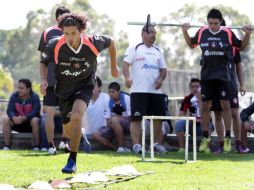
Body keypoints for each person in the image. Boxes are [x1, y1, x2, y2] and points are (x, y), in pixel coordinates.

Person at [40, 13, 119, 174]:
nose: (69, 37)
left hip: (84, 86)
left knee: (77, 115)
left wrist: (113, 66)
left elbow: (112, 42)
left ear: (81, 31)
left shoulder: (93, 42)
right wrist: (43, 80)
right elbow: (43, 62)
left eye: (73, 33)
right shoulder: (55, 44)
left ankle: (72, 160)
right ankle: (79, 133)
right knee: (68, 129)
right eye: (66, 33)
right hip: (63, 90)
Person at [182, 8, 252, 152]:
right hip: (207, 76)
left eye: (215, 23)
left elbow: (242, 47)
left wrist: (248, 34)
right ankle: (206, 136)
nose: (212, 26)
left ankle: (227, 137)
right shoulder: (202, 31)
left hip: (223, 76)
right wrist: (185, 31)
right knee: (206, 106)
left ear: (220, 22)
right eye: (210, 23)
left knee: (226, 105)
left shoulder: (227, 32)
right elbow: (191, 44)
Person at [123, 24, 167, 154]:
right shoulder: (135, 48)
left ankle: (154, 145)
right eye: (150, 32)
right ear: (143, 34)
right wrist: (127, 78)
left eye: (155, 33)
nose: (153, 35)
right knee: (136, 119)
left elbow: (163, 70)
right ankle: (137, 146)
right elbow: (125, 65)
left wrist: (160, 79)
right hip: (138, 91)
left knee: (158, 119)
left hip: (155, 92)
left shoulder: (158, 51)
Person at [38, 6, 71, 154]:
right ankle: (51, 145)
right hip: (51, 81)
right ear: (57, 18)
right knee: (49, 113)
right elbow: (42, 60)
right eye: (64, 16)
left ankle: (64, 141)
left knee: (67, 112)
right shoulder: (47, 33)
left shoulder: (74, 31)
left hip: (68, 80)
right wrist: (43, 80)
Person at [175, 78, 213, 153]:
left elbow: (209, 116)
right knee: (179, 123)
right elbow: (181, 115)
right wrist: (190, 119)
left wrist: (199, 100)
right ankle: (182, 148)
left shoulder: (206, 98)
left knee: (208, 124)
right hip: (191, 124)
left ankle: (206, 148)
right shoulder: (187, 99)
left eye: (197, 86)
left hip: (203, 124)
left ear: (201, 88)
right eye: (193, 87)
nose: (195, 89)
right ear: (190, 88)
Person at [2, 79, 41, 150]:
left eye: (22, 88)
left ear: (28, 89)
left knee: (35, 120)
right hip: (17, 122)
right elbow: (9, 110)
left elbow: (35, 112)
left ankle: (36, 146)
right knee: (6, 119)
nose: (19, 90)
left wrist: (24, 118)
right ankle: (6, 146)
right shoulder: (14, 96)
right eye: (18, 88)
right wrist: (13, 117)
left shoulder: (35, 97)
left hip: (29, 124)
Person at [92, 81, 131, 152]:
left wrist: (116, 118)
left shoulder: (126, 98)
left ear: (119, 92)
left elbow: (130, 118)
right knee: (95, 135)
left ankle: (121, 146)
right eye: (109, 92)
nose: (110, 94)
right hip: (113, 125)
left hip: (127, 125)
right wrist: (114, 121)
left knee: (114, 120)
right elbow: (108, 121)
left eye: (113, 92)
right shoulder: (108, 102)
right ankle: (116, 149)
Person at [81, 76, 110, 152]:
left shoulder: (106, 98)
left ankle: (116, 148)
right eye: (90, 85)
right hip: (86, 135)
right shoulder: (83, 99)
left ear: (100, 88)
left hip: (103, 133)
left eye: (94, 85)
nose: (91, 87)